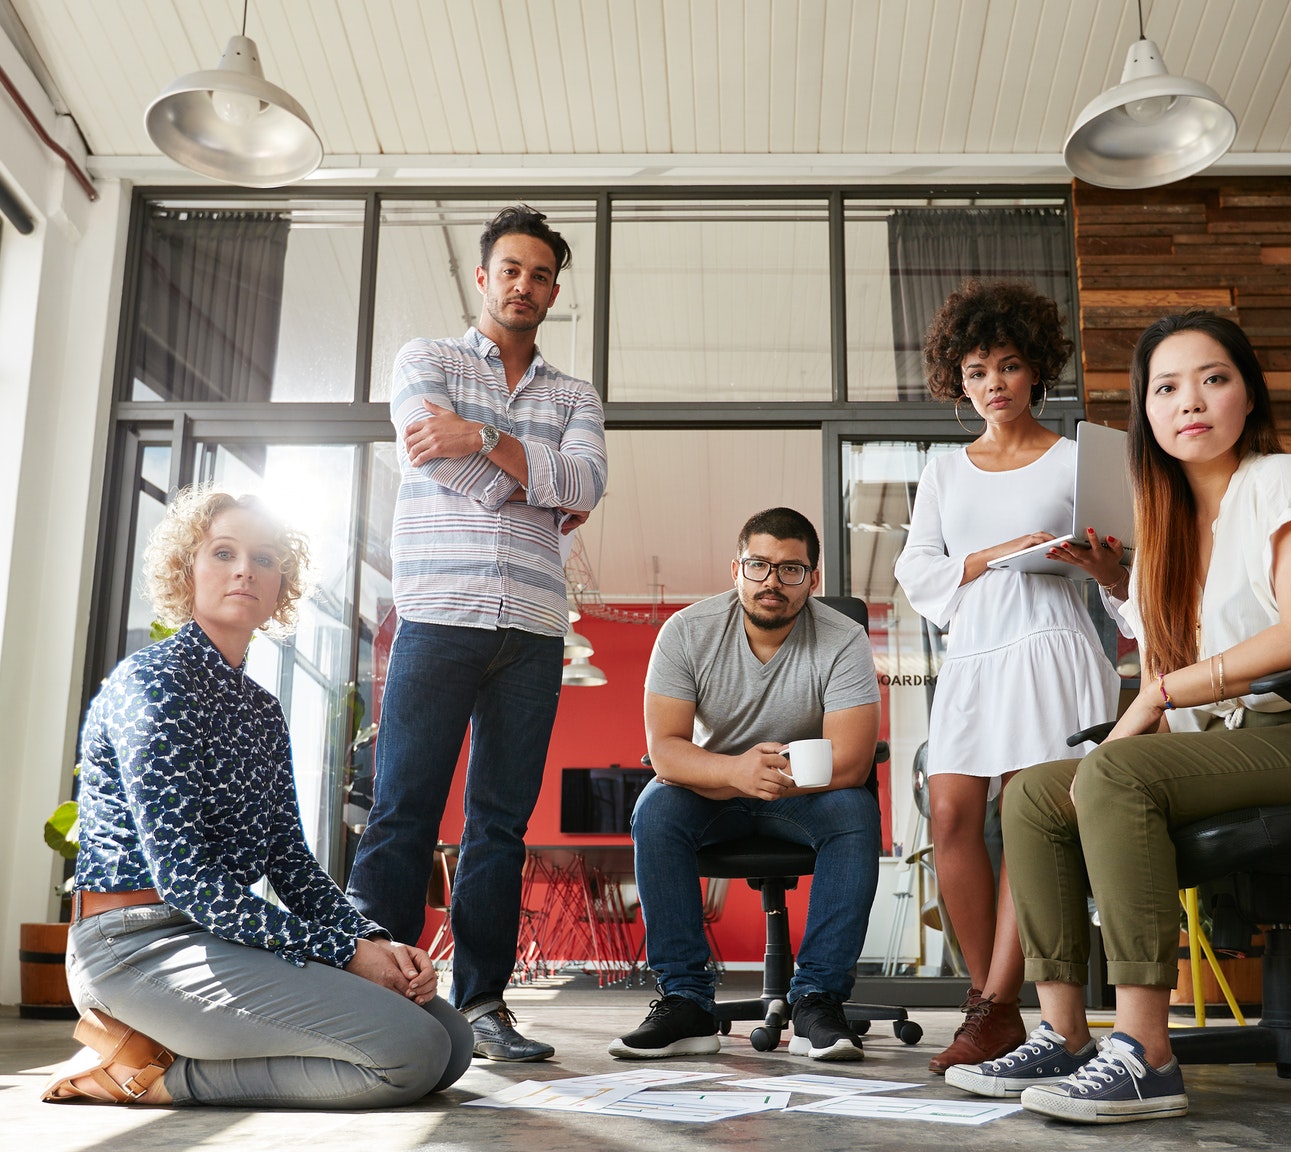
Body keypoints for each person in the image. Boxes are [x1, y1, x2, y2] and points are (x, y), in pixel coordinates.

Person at [997, 309, 1291, 1124]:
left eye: (1213, 378)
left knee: (1112, 773)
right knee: (1035, 793)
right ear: (1146, 417)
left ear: (1248, 396)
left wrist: (1153, 703)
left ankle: (1146, 1054)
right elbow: (1157, 686)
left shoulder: (1284, 479)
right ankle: (1063, 1032)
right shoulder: (1163, 535)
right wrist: (1114, 744)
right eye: (1167, 388)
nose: (1190, 401)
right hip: (1232, 746)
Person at [49, 487, 473, 1109]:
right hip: (134, 945)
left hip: (222, 936)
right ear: (185, 571)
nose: (246, 568)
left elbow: (290, 863)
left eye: (265, 558)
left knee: (451, 1039)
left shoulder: (262, 711)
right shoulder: (154, 683)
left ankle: (191, 1043)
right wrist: (345, 955)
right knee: (412, 1055)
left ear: (280, 587)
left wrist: (377, 943)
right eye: (223, 552)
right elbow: (187, 878)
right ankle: (149, 1075)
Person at [346, 205, 607, 1063]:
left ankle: (485, 1001)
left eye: (540, 275)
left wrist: (488, 437)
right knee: (402, 811)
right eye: (510, 270)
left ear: (554, 290)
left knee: (499, 824)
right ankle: (372, 992)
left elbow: (587, 483)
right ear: (485, 277)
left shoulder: (575, 394)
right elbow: (435, 455)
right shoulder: (426, 358)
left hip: (532, 629)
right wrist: (533, 484)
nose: (524, 285)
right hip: (436, 617)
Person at [892, 280, 1119, 1084]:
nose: (994, 383)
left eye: (1010, 366)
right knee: (951, 814)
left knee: (1028, 822)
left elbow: (1122, 568)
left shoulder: (1079, 458)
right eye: (978, 369)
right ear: (959, 380)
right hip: (975, 655)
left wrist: (1102, 564)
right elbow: (918, 570)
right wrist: (994, 552)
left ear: (1037, 371)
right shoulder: (945, 472)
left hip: (1053, 644)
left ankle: (992, 1004)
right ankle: (995, 1004)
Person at [612, 508, 884, 1063]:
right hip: (715, 792)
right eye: (759, 566)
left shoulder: (843, 638)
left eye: (790, 570)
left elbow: (852, 762)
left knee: (856, 808)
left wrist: (765, 778)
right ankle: (686, 1003)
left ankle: (816, 1004)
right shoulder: (687, 632)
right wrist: (733, 772)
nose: (771, 583)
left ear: (813, 579)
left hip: (806, 797)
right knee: (655, 808)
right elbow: (665, 749)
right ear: (736, 568)